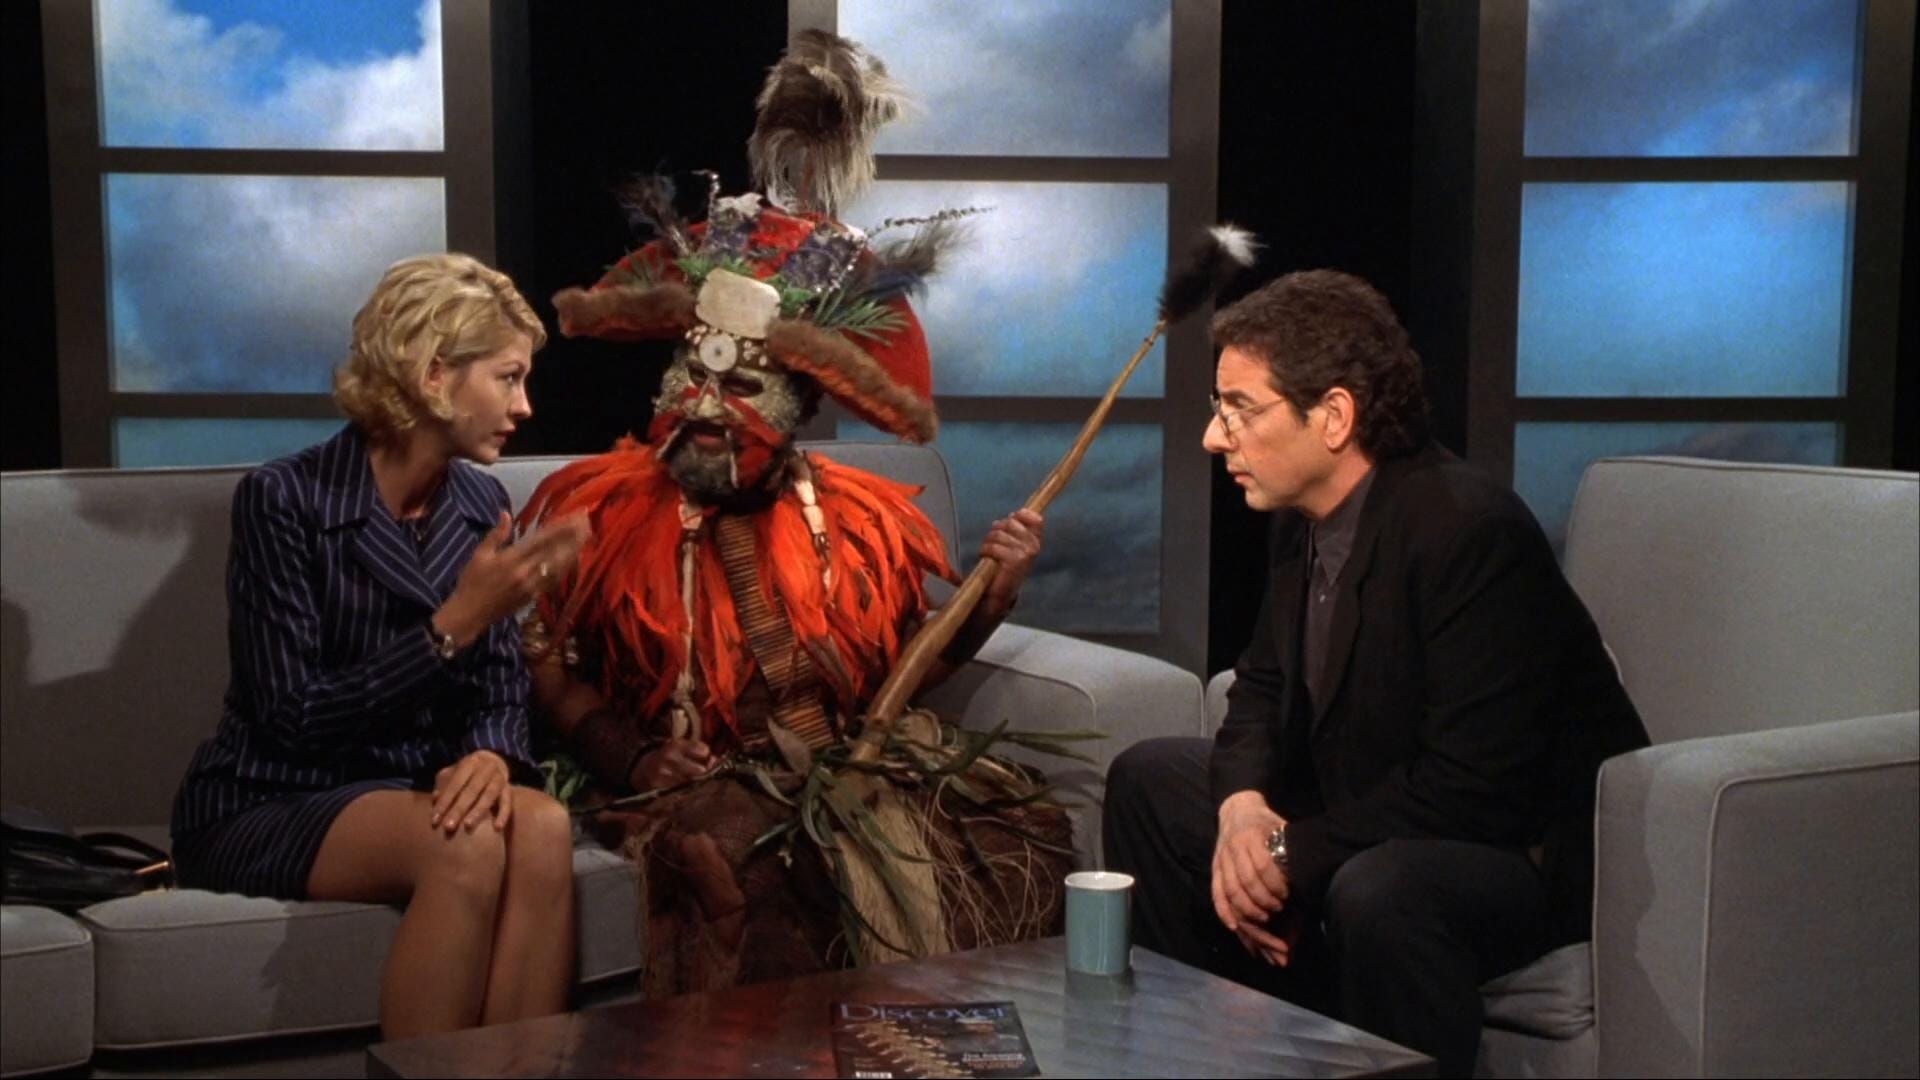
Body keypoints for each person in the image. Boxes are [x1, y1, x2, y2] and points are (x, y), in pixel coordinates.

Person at [519, 30, 1072, 996]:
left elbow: (903, 673)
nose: (706, 411)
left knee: (1024, 828)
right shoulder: (602, 518)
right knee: (748, 857)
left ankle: (937, 1051)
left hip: (834, 768)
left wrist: (992, 595)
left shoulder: (851, 523)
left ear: (797, 408)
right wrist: (638, 758)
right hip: (702, 787)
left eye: (742, 392)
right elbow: (550, 677)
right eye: (692, 381)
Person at [1103, 269, 1650, 1075]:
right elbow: (1260, 689)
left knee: (1381, 890)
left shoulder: (1469, 530)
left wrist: (1287, 856)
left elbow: (1472, 789)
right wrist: (1243, 814)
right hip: (1367, 806)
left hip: (1508, 855)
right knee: (1150, 780)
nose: (1215, 438)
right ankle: (1207, 1058)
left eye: (1240, 409)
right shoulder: (1299, 520)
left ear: (1333, 416)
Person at [170, 253, 592, 1038]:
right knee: (466, 844)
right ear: (435, 376)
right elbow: (293, 715)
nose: (525, 406)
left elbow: (501, 687)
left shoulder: (480, 503)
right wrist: (454, 623)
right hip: (275, 793)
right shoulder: (284, 499)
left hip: (413, 785)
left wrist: (491, 754)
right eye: (507, 378)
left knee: (541, 825)